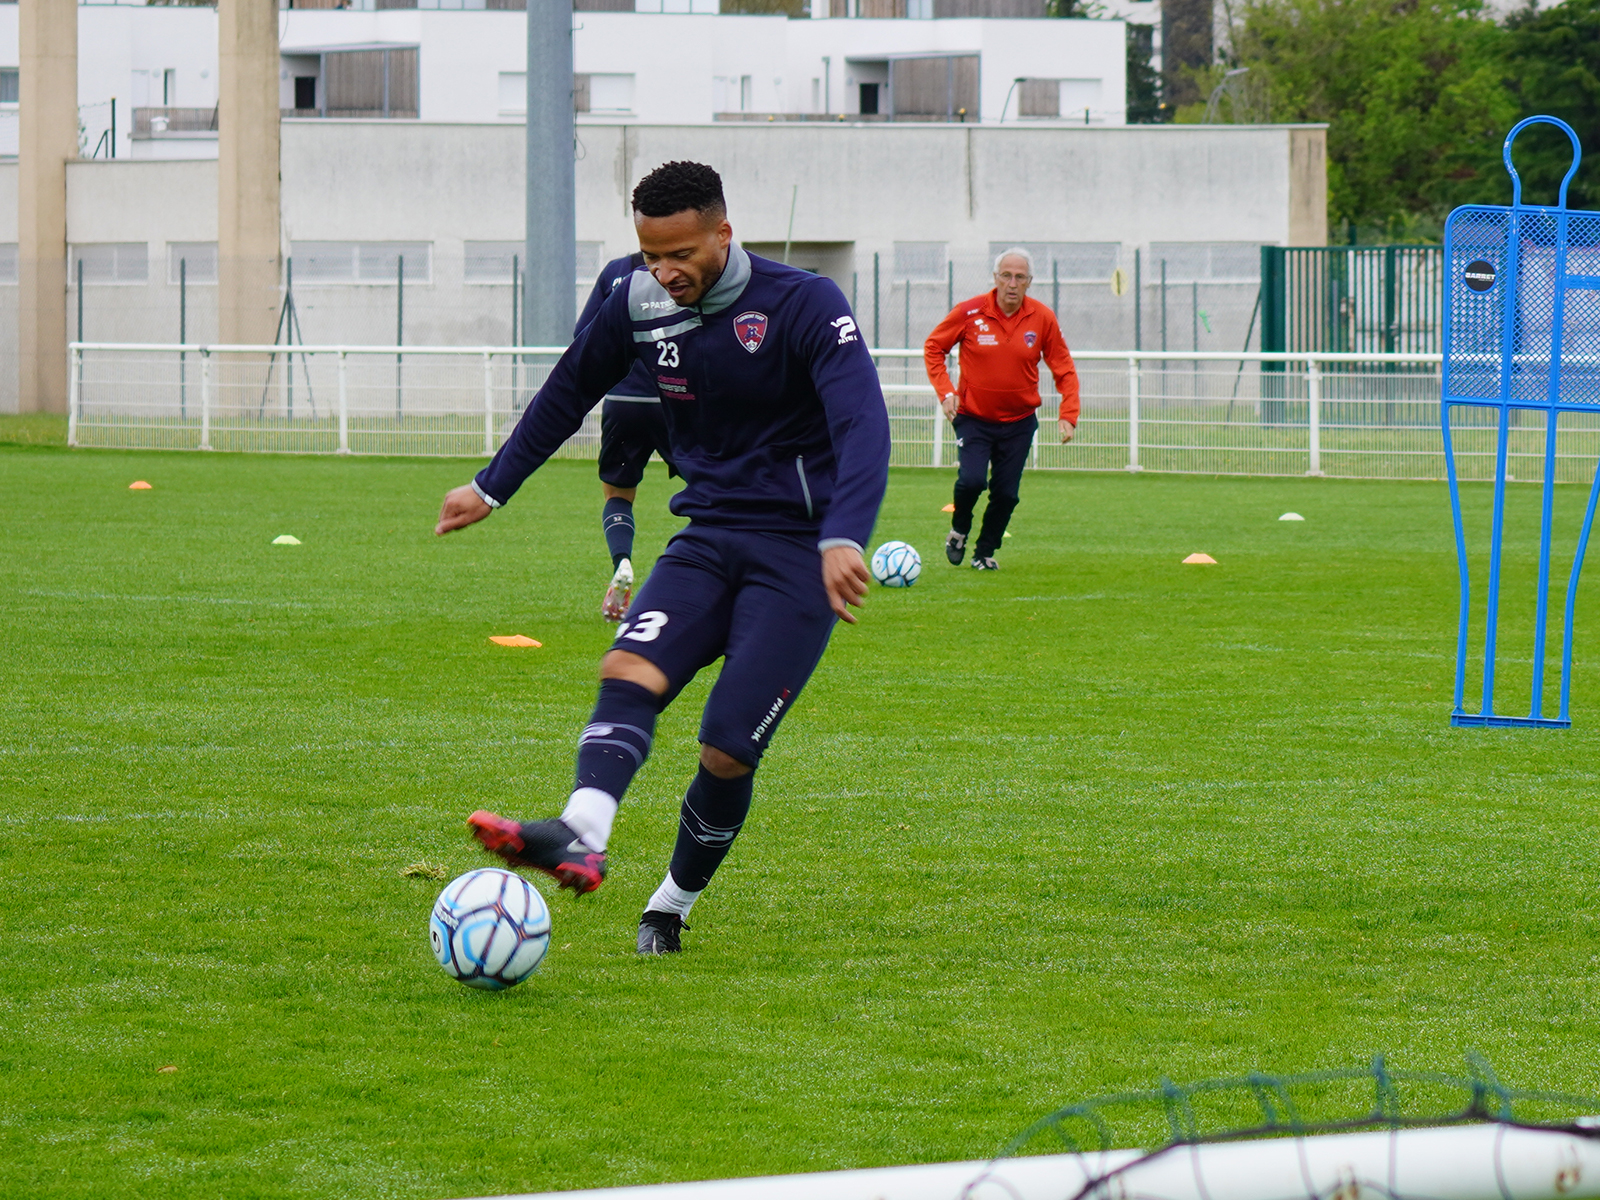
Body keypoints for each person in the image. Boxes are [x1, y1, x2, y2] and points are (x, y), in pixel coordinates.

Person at [434, 161, 890, 955]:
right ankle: (580, 831)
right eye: (650, 254)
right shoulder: (637, 303)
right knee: (628, 671)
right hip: (706, 538)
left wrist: (846, 532)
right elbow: (568, 390)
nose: (664, 271)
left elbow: (862, 420)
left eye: (680, 253)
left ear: (723, 231)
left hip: (796, 556)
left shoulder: (805, 303)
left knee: (724, 745)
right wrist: (492, 486)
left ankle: (671, 903)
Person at [923, 248, 1079, 570]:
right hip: (973, 418)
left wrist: (1069, 414)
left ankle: (984, 552)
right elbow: (934, 347)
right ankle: (959, 530)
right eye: (1006, 276)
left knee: (1006, 494)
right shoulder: (969, 313)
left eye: (1019, 277)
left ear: (1029, 282)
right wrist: (946, 391)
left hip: (1019, 422)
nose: (1012, 283)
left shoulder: (1043, 318)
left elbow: (1062, 366)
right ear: (995, 278)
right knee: (971, 481)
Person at [579, 252, 680, 621]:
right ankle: (697, 573)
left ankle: (622, 562)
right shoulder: (690, 268)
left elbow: (584, 336)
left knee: (618, 494)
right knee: (714, 492)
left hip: (624, 400)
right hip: (678, 399)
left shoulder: (617, 272)